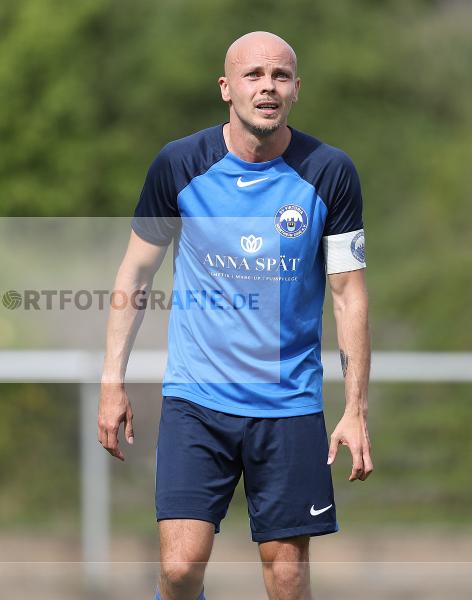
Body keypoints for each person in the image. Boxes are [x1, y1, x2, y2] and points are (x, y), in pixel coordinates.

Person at [98, 31, 373, 600]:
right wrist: (111, 381)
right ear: (226, 89)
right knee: (179, 566)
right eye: (253, 75)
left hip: (288, 404)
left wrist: (355, 410)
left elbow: (348, 292)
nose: (267, 86)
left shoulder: (330, 172)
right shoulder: (179, 164)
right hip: (197, 402)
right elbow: (135, 274)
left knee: (287, 575)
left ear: (296, 89)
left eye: (280, 75)